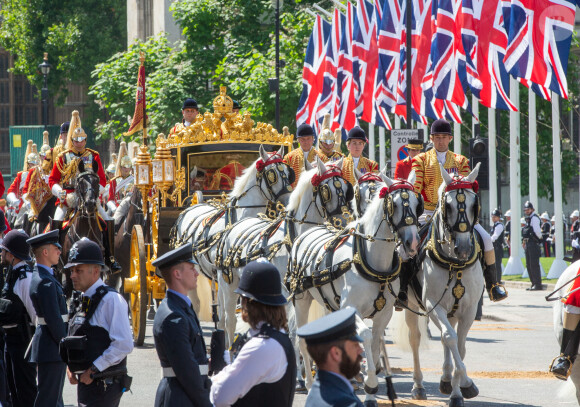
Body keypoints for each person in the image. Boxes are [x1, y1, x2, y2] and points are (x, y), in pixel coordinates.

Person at [409, 119, 507, 302]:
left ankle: (493, 285)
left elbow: (469, 189)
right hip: (428, 213)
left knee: (486, 239)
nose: (440, 141)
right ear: (431, 138)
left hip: (456, 214)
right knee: (407, 244)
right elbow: (415, 189)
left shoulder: (461, 161)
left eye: (444, 137)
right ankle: (403, 287)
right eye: (437, 137)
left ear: (450, 138)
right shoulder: (420, 160)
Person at [211, 259, 296, 407]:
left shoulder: (260, 345)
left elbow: (219, 397)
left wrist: (220, 375)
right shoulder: (280, 337)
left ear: (246, 302)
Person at [61, 238, 133, 407]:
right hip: (88, 383)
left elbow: (124, 344)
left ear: (95, 271)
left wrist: (93, 369)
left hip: (103, 385)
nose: (72, 275)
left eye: (78, 270)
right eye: (71, 270)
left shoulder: (111, 300)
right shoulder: (82, 297)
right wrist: (70, 367)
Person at [48, 110, 120, 273]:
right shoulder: (63, 157)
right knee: (56, 222)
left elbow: (102, 179)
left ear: (86, 140)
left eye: (82, 140)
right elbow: (53, 180)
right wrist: (61, 193)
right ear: (71, 141)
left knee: (107, 220)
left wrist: (95, 193)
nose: (79, 143)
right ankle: (55, 259)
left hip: (89, 197)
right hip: (69, 198)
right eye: (76, 140)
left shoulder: (93, 156)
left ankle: (110, 258)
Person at [151, 244, 212, 407]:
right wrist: (206, 404)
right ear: (177, 274)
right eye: (191, 268)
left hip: (184, 394)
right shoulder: (173, 316)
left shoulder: (180, 307)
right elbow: (186, 371)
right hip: (180, 397)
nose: (196, 273)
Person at [27, 230, 68, 407]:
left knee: (54, 399)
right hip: (52, 347)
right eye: (55, 248)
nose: (59, 251)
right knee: (49, 400)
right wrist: (65, 345)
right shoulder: (44, 281)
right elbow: (53, 320)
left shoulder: (45, 277)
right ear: (45, 252)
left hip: (50, 347)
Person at [297, 307, 364, 407]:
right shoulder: (347, 403)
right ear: (336, 353)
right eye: (355, 345)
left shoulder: (317, 390)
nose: (361, 350)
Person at [0, 230, 37, 407]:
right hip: (11, 341)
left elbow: (35, 316)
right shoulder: (13, 272)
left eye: (4, 250)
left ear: (11, 254)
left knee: (25, 394)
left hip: (23, 342)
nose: (1, 253)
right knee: (14, 394)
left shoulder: (25, 278)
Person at [284, 123, 324, 188]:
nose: (306, 142)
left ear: (313, 139)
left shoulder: (322, 158)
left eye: (308, 138)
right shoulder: (289, 158)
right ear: (298, 140)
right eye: (303, 139)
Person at [106, 142, 134, 214]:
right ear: (120, 168)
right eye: (124, 167)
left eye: (128, 167)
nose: (126, 169)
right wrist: (115, 209)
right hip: (118, 209)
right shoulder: (114, 181)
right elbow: (110, 199)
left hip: (132, 208)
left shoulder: (135, 180)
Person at [522, 201, 543, 291]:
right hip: (528, 243)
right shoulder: (529, 218)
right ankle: (533, 283)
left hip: (533, 243)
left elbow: (537, 232)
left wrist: (539, 239)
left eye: (528, 209)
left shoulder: (534, 218)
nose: (527, 211)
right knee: (529, 264)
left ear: (532, 209)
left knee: (534, 264)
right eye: (526, 210)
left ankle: (537, 284)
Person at [490, 209, 504, 283]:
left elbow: (495, 236)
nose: (493, 218)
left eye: (495, 217)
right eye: (492, 217)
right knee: (494, 264)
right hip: (494, 247)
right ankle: (495, 279)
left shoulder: (499, 226)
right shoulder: (494, 226)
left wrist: (488, 241)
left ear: (498, 217)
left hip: (497, 248)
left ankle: (498, 280)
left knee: (497, 264)